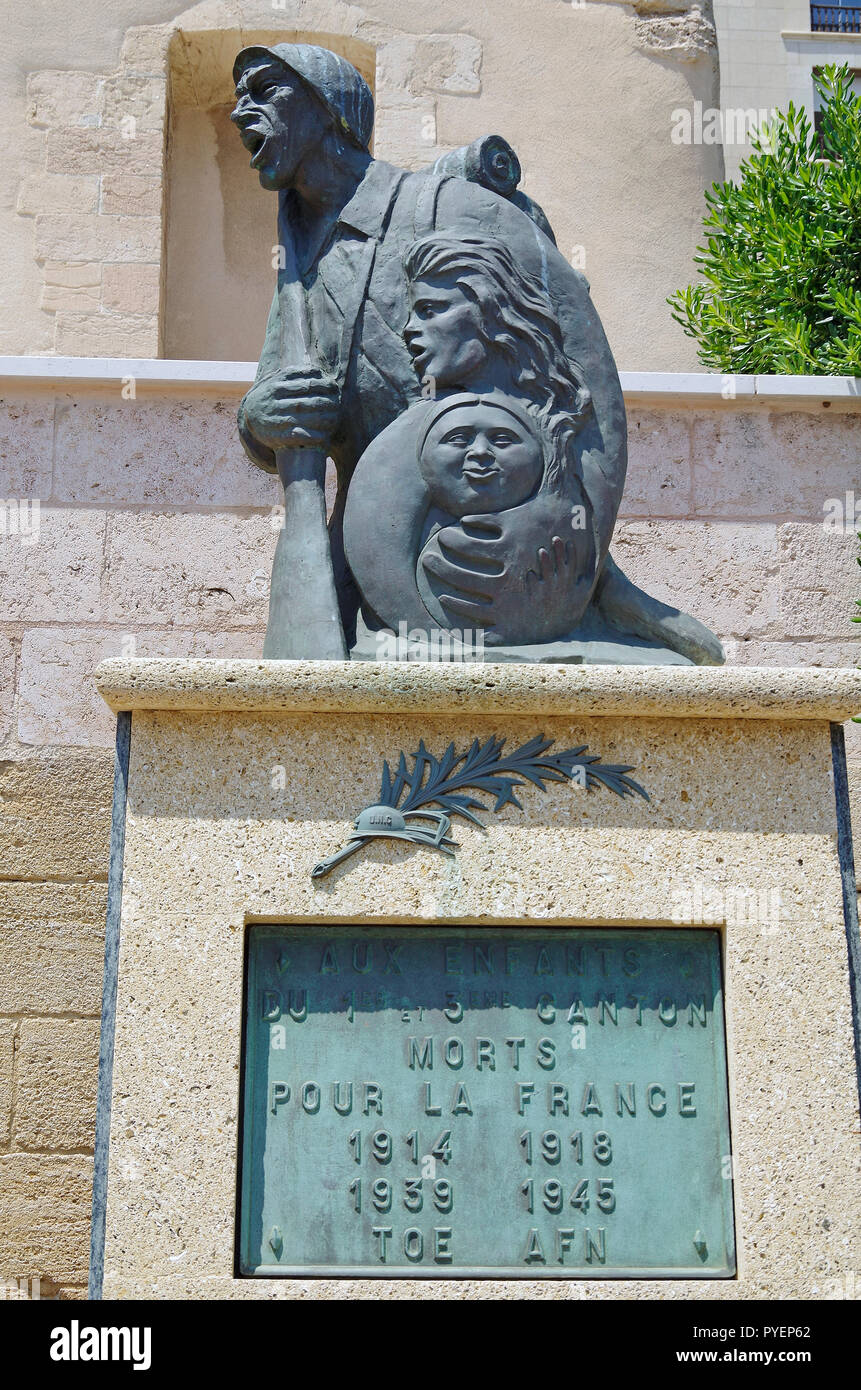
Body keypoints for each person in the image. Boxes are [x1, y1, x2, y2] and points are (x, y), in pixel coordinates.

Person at [230, 42, 630, 652]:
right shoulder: (298, 260)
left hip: (490, 558)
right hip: (371, 557)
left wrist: (565, 548)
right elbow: (269, 401)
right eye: (241, 97)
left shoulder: (444, 206)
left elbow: (583, 378)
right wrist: (260, 419)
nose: (241, 113)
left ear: (326, 105)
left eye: (265, 91)